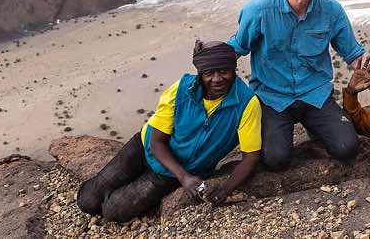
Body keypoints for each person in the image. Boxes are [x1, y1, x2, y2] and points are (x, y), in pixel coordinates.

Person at [228, 0, 370, 171]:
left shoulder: (331, 10)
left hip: (315, 95)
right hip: (272, 98)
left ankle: (318, 129)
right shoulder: (258, 11)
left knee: (347, 147)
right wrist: (206, 67)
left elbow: (355, 57)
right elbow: (235, 49)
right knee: (275, 160)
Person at [77, 40, 261, 222]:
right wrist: (184, 178)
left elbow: (250, 157)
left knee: (112, 212)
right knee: (87, 201)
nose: (217, 79)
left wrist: (224, 190)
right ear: (200, 74)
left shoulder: (246, 103)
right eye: (209, 73)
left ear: (233, 69)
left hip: (170, 172)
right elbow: (156, 142)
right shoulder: (181, 90)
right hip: (145, 148)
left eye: (224, 71)